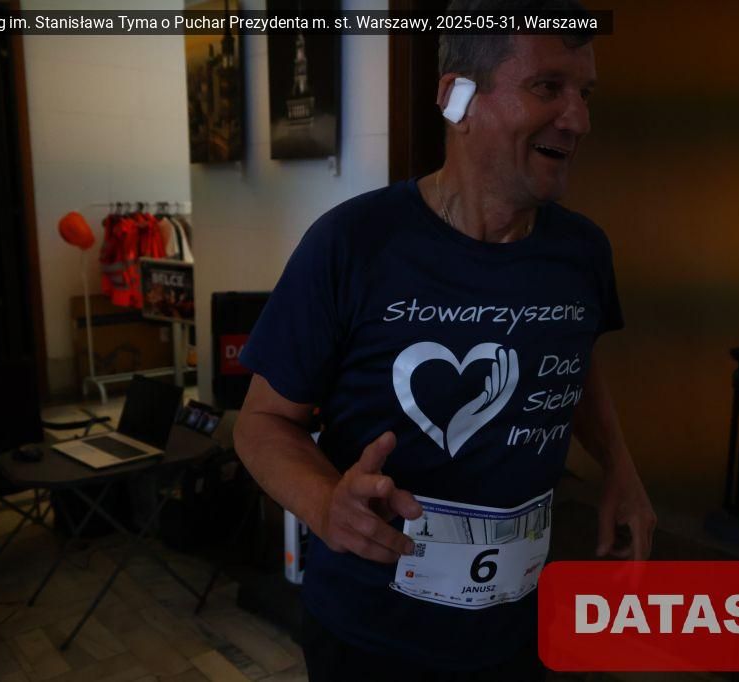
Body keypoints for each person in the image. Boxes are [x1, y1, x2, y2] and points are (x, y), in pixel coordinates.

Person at [234, 2, 656, 679]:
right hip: (371, 640)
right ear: (457, 98)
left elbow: (569, 364)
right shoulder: (353, 244)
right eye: (548, 87)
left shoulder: (582, 253)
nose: (578, 120)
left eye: (586, 94)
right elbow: (260, 422)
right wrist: (325, 504)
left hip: (522, 634)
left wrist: (621, 468)